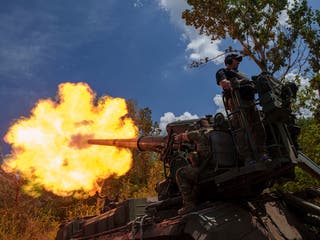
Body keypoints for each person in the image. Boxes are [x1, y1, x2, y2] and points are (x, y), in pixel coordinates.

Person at [216, 54, 270, 165]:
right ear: (229, 61)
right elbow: (224, 84)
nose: (238, 62)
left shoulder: (242, 74)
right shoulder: (222, 71)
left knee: (258, 126)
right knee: (241, 130)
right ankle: (247, 158)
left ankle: (262, 154)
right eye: (236, 60)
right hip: (236, 101)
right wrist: (238, 83)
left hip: (250, 102)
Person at [174, 119, 213, 215]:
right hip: (214, 166)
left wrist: (176, 137)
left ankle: (188, 205)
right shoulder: (214, 132)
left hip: (205, 169)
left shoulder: (198, 133)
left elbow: (180, 138)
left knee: (180, 173)